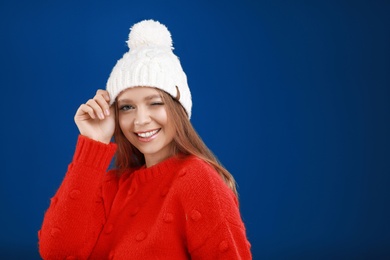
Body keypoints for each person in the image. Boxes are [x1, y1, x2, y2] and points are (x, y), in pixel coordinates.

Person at [38, 19, 252, 259]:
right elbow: (57, 253)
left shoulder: (199, 180)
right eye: (127, 107)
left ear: (178, 108)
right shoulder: (112, 187)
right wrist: (93, 144)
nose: (140, 120)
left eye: (155, 103)